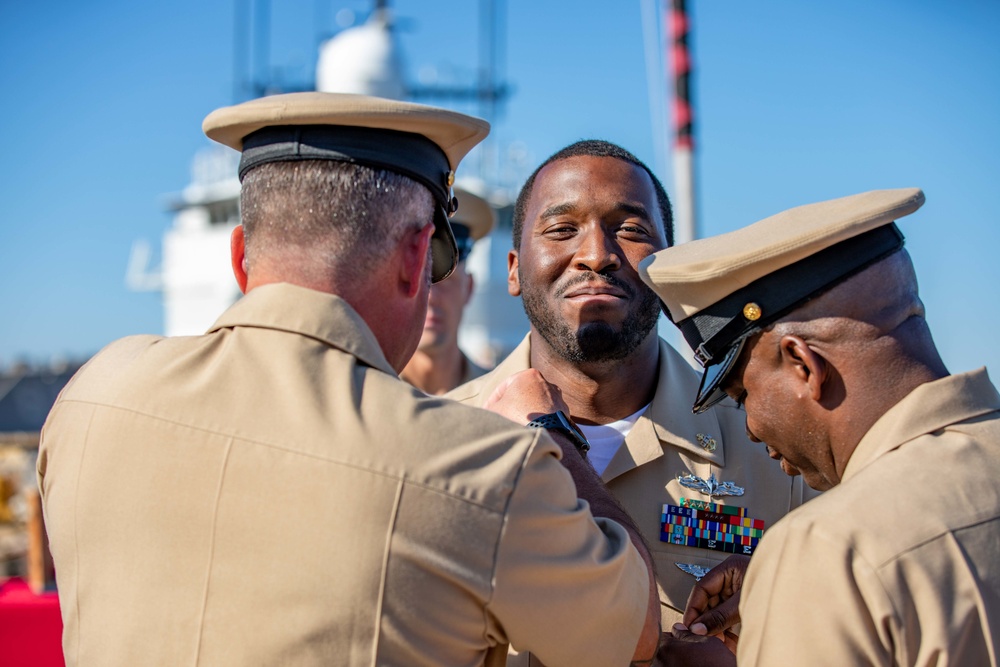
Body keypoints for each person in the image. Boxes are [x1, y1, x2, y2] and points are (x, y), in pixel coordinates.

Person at [37, 92, 660, 666]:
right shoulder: (481, 465)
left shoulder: (90, 397)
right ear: (417, 259)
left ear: (239, 258)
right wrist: (549, 431)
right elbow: (632, 628)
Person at [446, 140, 814, 645]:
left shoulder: (776, 457)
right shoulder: (438, 437)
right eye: (561, 229)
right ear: (513, 268)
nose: (597, 255)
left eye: (631, 230)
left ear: (669, 267)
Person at [640, 188, 1000, 665]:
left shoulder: (832, 550)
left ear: (802, 364)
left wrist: (801, 585)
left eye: (743, 395)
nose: (747, 428)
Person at [401, 184, 496, 394]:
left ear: (469, 288)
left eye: (447, 282)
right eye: (420, 281)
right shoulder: (365, 396)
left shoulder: (498, 397)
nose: (432, 297)